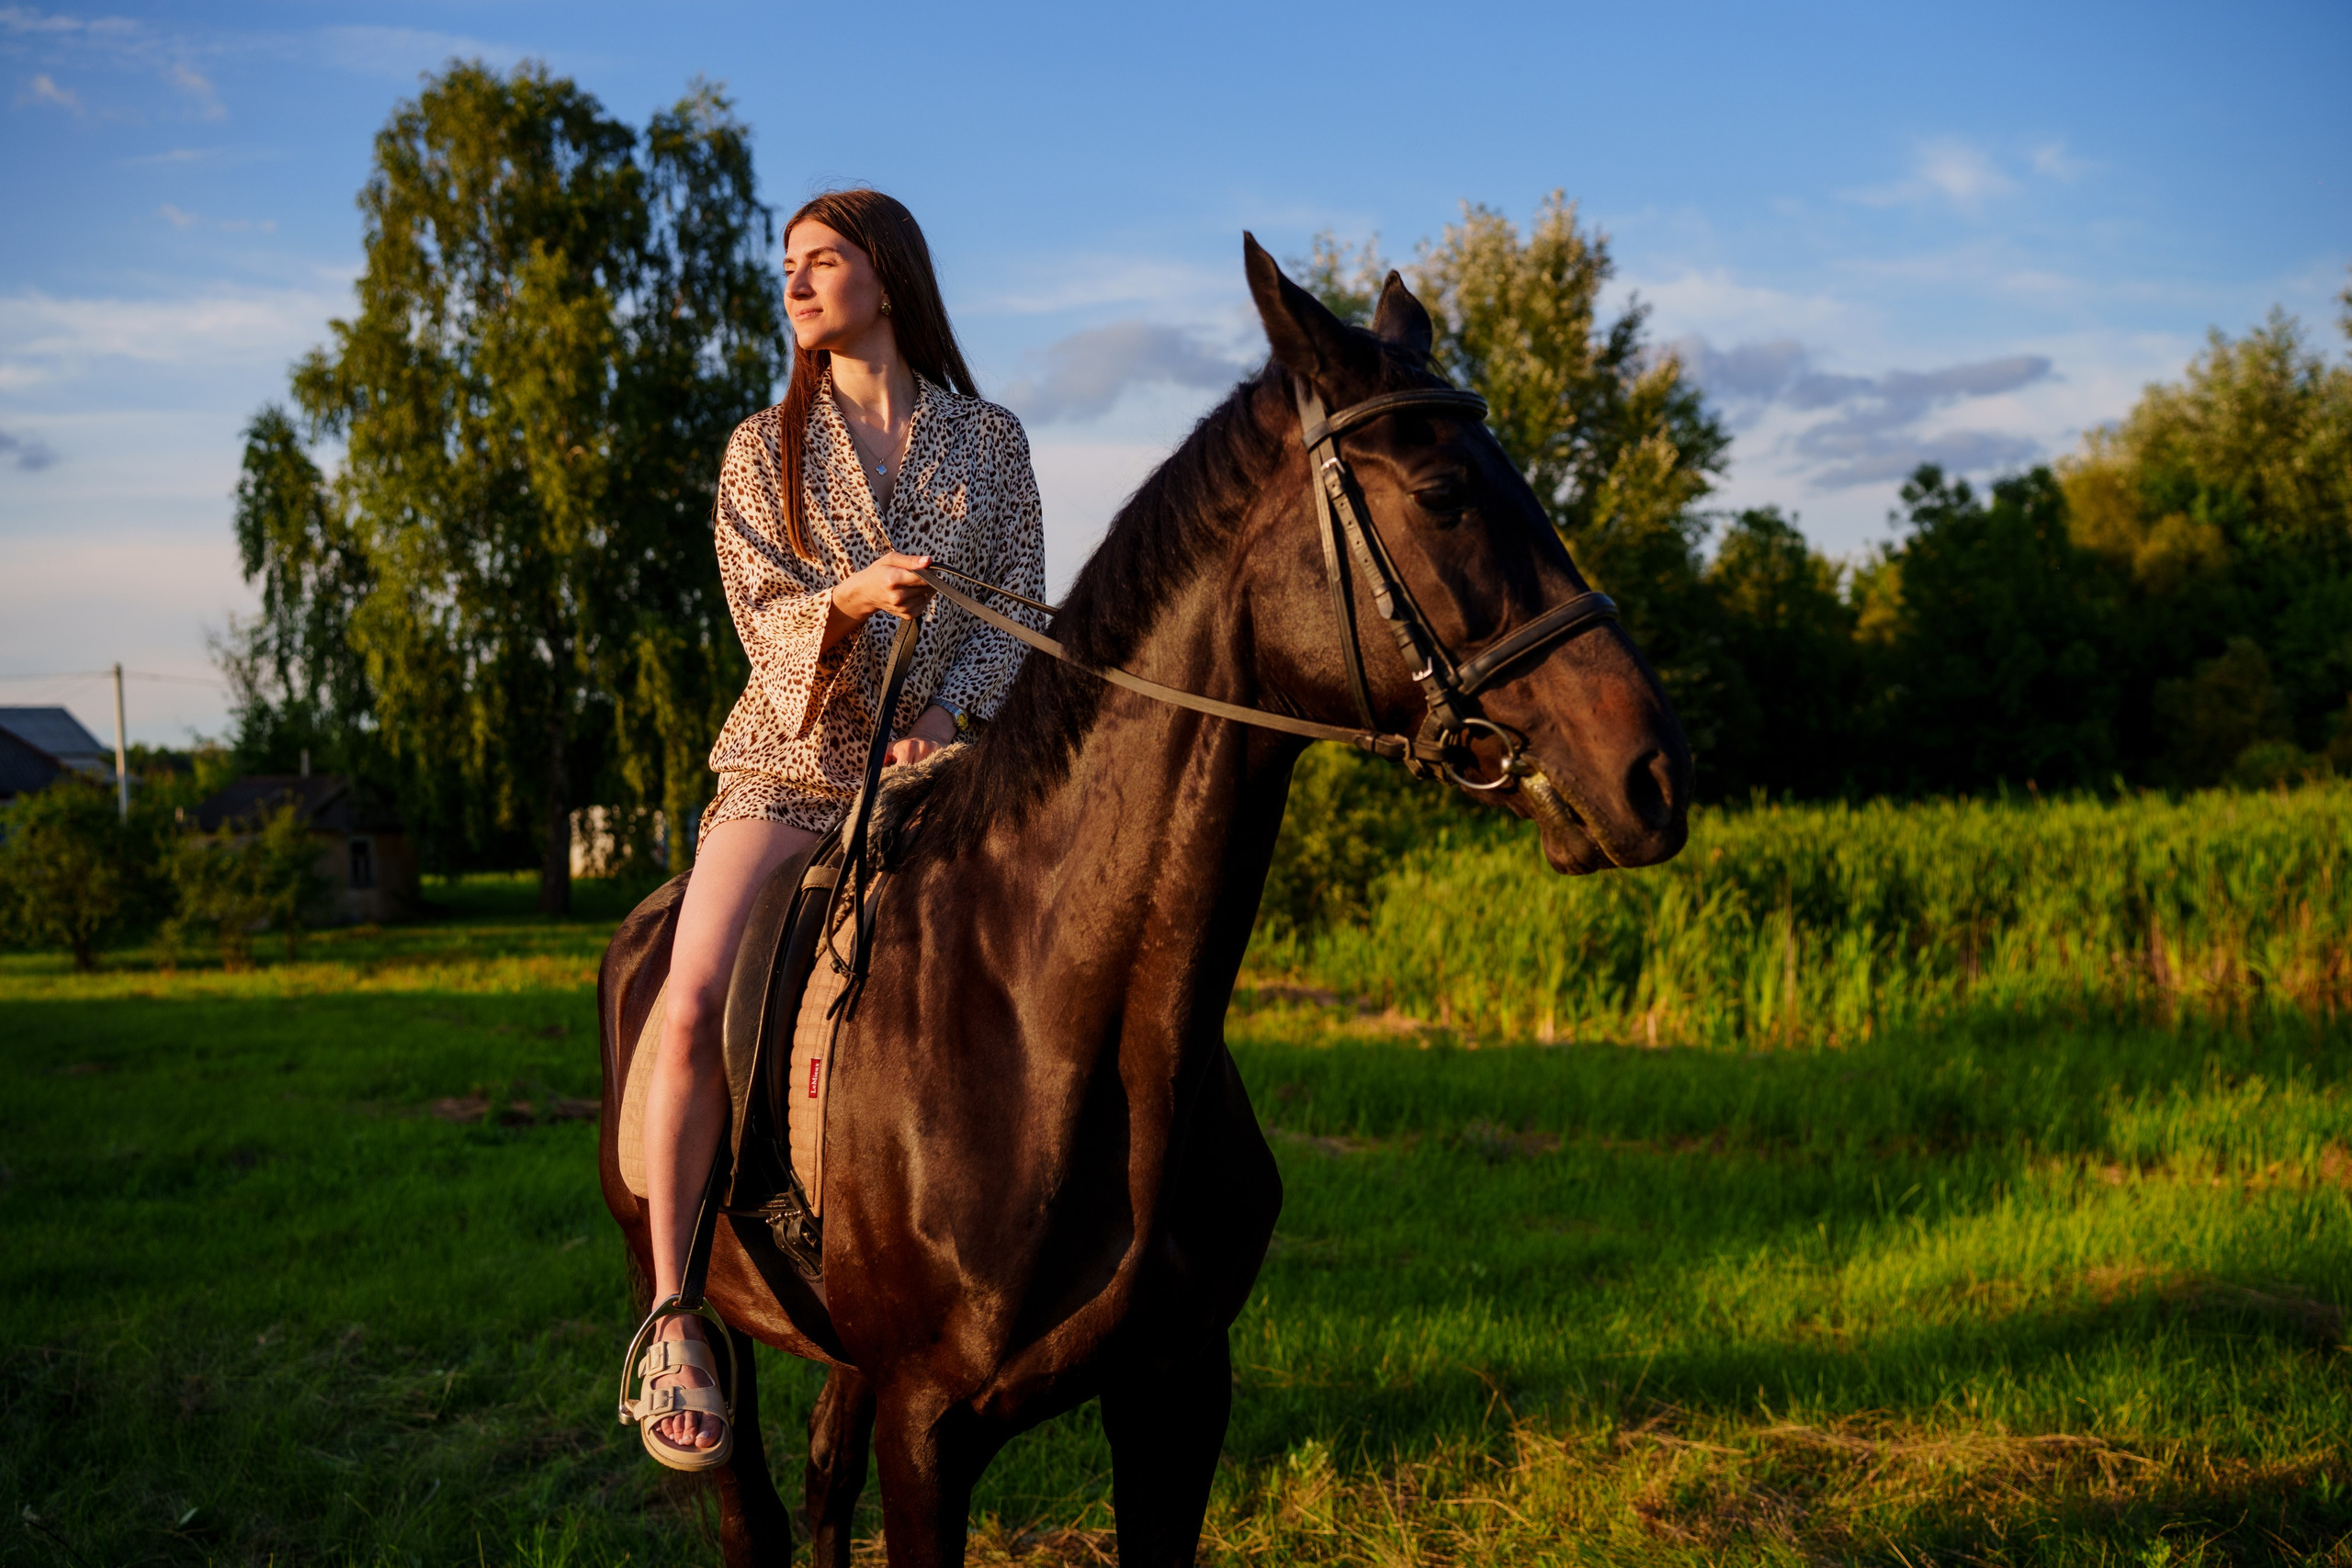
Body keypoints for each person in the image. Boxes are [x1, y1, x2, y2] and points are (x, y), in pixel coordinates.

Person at [626, 188, 1045, 1471]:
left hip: (937, 762)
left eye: (824, 261)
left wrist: (943, 711)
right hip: (791, 763)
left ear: (890, 275)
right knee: (691, 1003)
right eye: (789, 267)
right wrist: (853, 601)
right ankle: (674, 1317)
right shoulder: (763, 447)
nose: (798, 285)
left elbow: (1014, 600)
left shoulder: (989, 440)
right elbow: (762, 622)